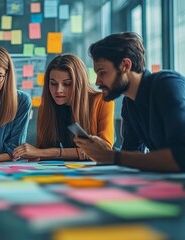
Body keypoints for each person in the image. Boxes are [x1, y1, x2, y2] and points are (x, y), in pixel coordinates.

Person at [74, 32, 185, 172]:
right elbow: (131, 155)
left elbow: (181, 156)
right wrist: (104, 151)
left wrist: (109, 155)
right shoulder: (129, 103)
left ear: (125, 65)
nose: (97, 82)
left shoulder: (167, 84)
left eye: (102, 72)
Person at [13, 54, 114, 161]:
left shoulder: (103, 101)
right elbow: (42, 150)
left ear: (79, 84)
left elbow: (104, 151)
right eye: (53, 83)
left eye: (67, 84)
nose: (58, 90)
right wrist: (35, 154)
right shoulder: (49, 106)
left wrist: (44, 152)